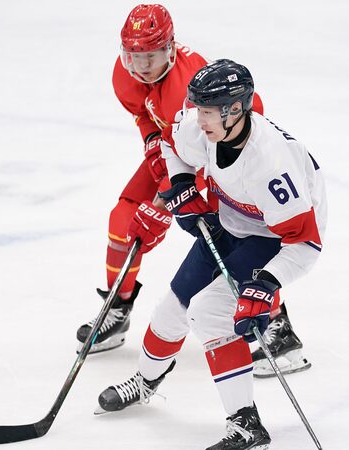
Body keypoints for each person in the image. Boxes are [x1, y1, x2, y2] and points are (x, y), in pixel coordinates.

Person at [95, 59, 327, 450]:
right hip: (228, 221)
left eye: (207, 111)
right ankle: (146, 381)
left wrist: (267, 284)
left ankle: (247, 425)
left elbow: (305, 243)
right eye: (197, 108)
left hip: (271, 236)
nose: (198, 119)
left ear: (235, 109)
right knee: (171, 311)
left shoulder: (272, 165)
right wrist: (182, 184)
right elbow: (171, 144)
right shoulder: (201, 126)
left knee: (209, 312)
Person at [76, 4, 311, 379]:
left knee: (235, 240)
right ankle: (117, 307)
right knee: (123, 219)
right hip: (176, 152)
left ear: (170, 48)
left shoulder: (187, 89)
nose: (141, 65)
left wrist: (163, 202)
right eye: (134, 56)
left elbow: (212, 151)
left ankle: (277, 326)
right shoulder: (125, 73)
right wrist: (152, 141)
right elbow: (145, 115)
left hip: (220, 161)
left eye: (151, 56)